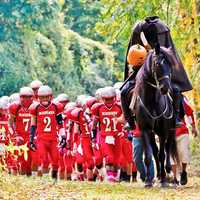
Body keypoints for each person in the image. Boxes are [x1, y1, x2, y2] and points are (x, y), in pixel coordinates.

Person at [122, 16, 193, 128]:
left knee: (176, 89)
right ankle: (129, 120)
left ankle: (177, 117)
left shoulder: (162, 29)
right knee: (124, 91)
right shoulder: (138, 30)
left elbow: (169, 52)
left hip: (162, 67)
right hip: (142, 67)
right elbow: (134, 52)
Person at [29, 85, 66, 180]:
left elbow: (60, 124)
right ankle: (45, 180)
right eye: (42, 97)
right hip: (41, 139)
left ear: (51, 96)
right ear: (38, 98)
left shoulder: (56, 107)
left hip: (53, 138)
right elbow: (33, 125)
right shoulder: (35, 107)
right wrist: (31, 139)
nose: (44, 99)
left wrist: (63, 137)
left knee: (55, 161)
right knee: (44, 160)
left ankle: (54, 180)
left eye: (46, 97)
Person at [171, 95, 198, 186]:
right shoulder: (160, 97)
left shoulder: (181, 98)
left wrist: (193, 126)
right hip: (168, 132)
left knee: (184, 153)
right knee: (171, 157)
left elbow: (189, 112)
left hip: (182, 131)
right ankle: (174, 178)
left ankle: (183, 172)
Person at [8, 87, 34, 176]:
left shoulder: (36, 107)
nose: (26, 99)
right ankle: (23, 179)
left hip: (32, 136)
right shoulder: (15, 107)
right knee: (21, 161)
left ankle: (32, 180)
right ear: (20, 97)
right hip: (20, 136)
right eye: (23, 97)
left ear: (32, 97)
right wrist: (15, 136)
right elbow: (10, 124)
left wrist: (36, 135)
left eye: (28, 97)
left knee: (32, 161)